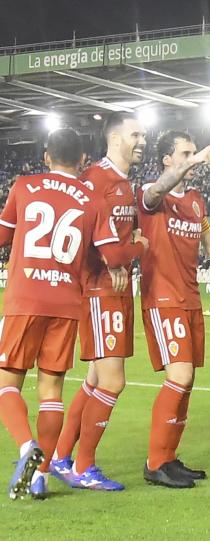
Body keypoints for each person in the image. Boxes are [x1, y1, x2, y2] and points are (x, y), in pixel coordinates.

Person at [0, 128, 143, 500]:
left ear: (46, 156)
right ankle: (40, 475)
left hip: (24, 299)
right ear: (83, 161)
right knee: (51, 393)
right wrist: (139, 245)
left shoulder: (23, 187)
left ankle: (25, 446)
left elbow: (2, 235)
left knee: (6, 384)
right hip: (66, 305)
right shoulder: (93, 199)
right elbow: (113, 256)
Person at [137, 131, 210, 488]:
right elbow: (154, 193)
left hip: (190, 298)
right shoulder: (153, 194)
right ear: (167, 159)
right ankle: (154, 462)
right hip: (162, 298)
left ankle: (168, 457)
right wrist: (192, 164)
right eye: (185, 153)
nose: (193, 158)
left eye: (195, 153)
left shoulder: (196, 201)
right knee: (178, 377)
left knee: (188, 382)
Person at [50, 112, 147, 491]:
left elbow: (123, 240)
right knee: (112, 381)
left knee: (94, 381)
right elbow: (99, 238)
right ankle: (85, 466)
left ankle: (61, 456)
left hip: (116, 292)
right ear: (115, 138)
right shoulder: (95, 180)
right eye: (135, 134)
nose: (142, 141)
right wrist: (131, 249)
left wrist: (126, 250)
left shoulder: (123, 183)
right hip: (99, 292)